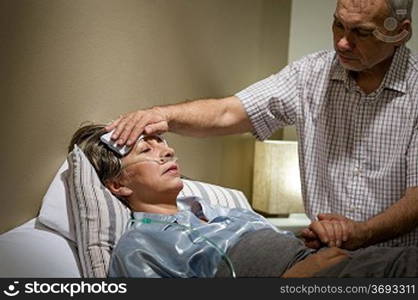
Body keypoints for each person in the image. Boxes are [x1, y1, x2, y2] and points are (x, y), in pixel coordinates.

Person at [105, 0, 418, 250]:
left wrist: (361, 233)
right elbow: (228, 113)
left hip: (398, 259)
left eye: (361, 32)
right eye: (338, 25)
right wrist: (164, 115)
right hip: (322, 253)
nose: (343, 43)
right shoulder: (309, 75)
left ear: (401, 32)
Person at [68, 123, 418, 278]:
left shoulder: (220, 210)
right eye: (147, 149)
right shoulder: (140, 247)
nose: (167, 150)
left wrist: (307, 240)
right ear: (117, 186)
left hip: (354, 262)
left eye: (162, 142)